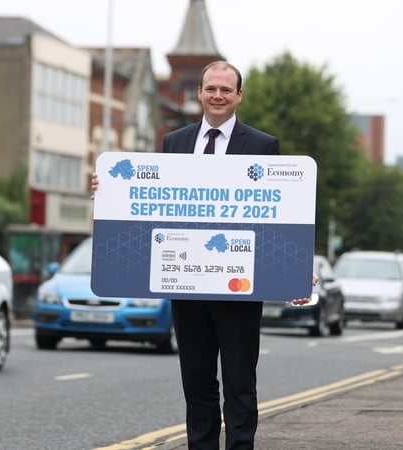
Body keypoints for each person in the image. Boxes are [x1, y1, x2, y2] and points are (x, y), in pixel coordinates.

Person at [92, 60, 313, 449]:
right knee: (197, 386)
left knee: (240, 386)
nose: (217, 96)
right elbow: (151, 203)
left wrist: (296, 269)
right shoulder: (174, 143)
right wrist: (108, 186)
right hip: (187, 285)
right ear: (199, 93)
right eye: (211, 89)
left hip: (238, 289)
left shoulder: (263, 146)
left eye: (226, 90)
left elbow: (281, 214)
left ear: (239, 96)